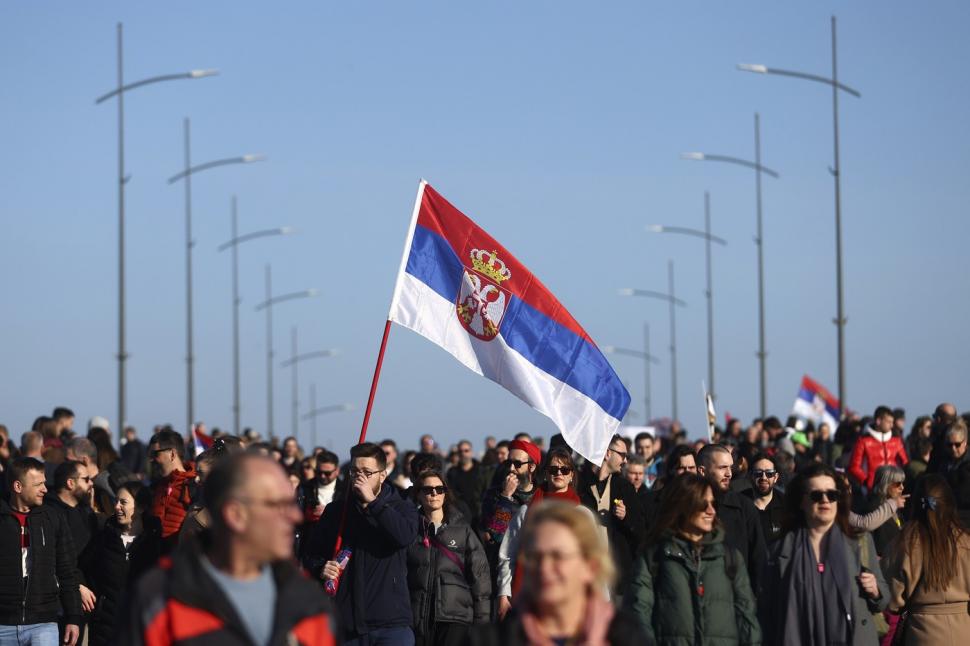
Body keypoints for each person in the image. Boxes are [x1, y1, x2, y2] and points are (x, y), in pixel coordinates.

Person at [122, 453, 334, 645]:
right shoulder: (159, 598)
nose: (294, 516)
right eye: (277, 505)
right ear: (236, 514)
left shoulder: (306, 602)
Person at [473, 501, 647, 646]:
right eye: (535, 556)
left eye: (558, 556)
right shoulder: (492, 639)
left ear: (590, 566)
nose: (545, 567)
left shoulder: (625, 637)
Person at [760, 462, 888, 645]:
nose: (825, 500)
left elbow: (883, 600)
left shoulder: (860, 541)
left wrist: (876, 591)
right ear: (801, 502)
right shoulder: (778, 552)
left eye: (832, 494)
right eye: (816, 495)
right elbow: (766, 616)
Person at [306, 442, 419, 645]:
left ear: (382, 475)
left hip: (390, 624)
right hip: (348, 626)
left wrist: (372, 504)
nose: (360, 478)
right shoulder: (336, 511)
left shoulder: (401, 507)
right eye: (355, 471)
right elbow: (310, 554)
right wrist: (321, 567)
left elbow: (404, 536)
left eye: (367, 472)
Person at [627, 474, 761, 645]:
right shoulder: (655, 556)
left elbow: (746, 617)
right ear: (683, 505)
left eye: (714, 504)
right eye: (703, 504)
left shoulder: (730, 558)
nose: (711, 510)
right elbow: (638, 615)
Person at [497, 447, 587, 617]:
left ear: (571, 475)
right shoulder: (527, 510)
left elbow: (592, 559)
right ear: (546, 473)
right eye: (553, 469)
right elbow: (509, 553)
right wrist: (503, 593)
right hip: (530, 595)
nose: (558, 473)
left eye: (564, 469)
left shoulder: (582, 514)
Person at [0, 457, 82, 645]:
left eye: (44, 483)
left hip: (43, 623)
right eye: (38, 484)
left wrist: (73, 617)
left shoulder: (53, 518)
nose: (45, 489)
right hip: (3, 624)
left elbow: (67, 570)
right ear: (18, 487)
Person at [883, 473, 970, 645]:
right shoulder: (965, 541)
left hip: (921, 633)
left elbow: (891, 599)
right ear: (949, 503)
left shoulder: (904, 542)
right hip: (964, 631)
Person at [407, 470, 490, 646]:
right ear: (418, 494)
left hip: (454, 618)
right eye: (428, 490)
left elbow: (480, 578)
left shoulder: (463, 529)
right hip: (417, 618)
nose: (435, 494)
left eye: (439, 489)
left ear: (446, 492)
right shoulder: (409, 529)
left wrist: (482, 624)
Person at [83, 480, 161, 646]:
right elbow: (80, 568)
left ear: (140, 507)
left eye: (123, 502)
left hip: (141, 628)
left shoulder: (154, 543)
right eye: (116, 501)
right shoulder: (104, 537)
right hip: (105, 629)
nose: (117, 507)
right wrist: (80, 586)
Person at [578, 435, 644, 595]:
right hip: (584, 573)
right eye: (623, 455)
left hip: (617, 577)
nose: (625, 461)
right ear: (608, 453)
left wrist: (625, 518)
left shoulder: (624, 488)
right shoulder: (578, 485)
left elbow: (642, 529)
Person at [697, 444, 766, 589]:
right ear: (702, 471)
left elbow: (758, 558)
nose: (729, 473)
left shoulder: (744, 507)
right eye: (722, 468)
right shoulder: (686, 506)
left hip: (737, 595)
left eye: (730, 467)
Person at [148, 429, 197, 550]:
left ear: (172, 454)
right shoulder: (155, 487)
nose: (151, 459)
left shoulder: (194, 485)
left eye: (155, 454)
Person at [848, 406, 908, 491]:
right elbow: (854, 467)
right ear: (878, 421)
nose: (892, 425)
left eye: (892, 422)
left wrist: (900, 481)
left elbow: (905, 463)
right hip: (871, 491)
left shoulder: (897, 441)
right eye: (889, 422)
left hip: (894, 488)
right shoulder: (863, 441)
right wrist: (867, 482)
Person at [863, 464, 906, 558]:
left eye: (903, 483)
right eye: (898, 484)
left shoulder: (895, 506)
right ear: (885, 484)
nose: (902, 487)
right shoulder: (873, 508)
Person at [743, 453, 785, 544]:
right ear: (750, 476)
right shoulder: (739, 504)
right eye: (758, 473)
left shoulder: (786, 505)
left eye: (769, 473)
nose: (764, 478)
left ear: (776, 477)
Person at [446, 440, 488, 525]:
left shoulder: (482, 471)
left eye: (466, 451)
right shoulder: (452, 473)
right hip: (460, 517)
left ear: (471, 452)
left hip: (479, 517)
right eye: (460, 451)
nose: (463, 454)